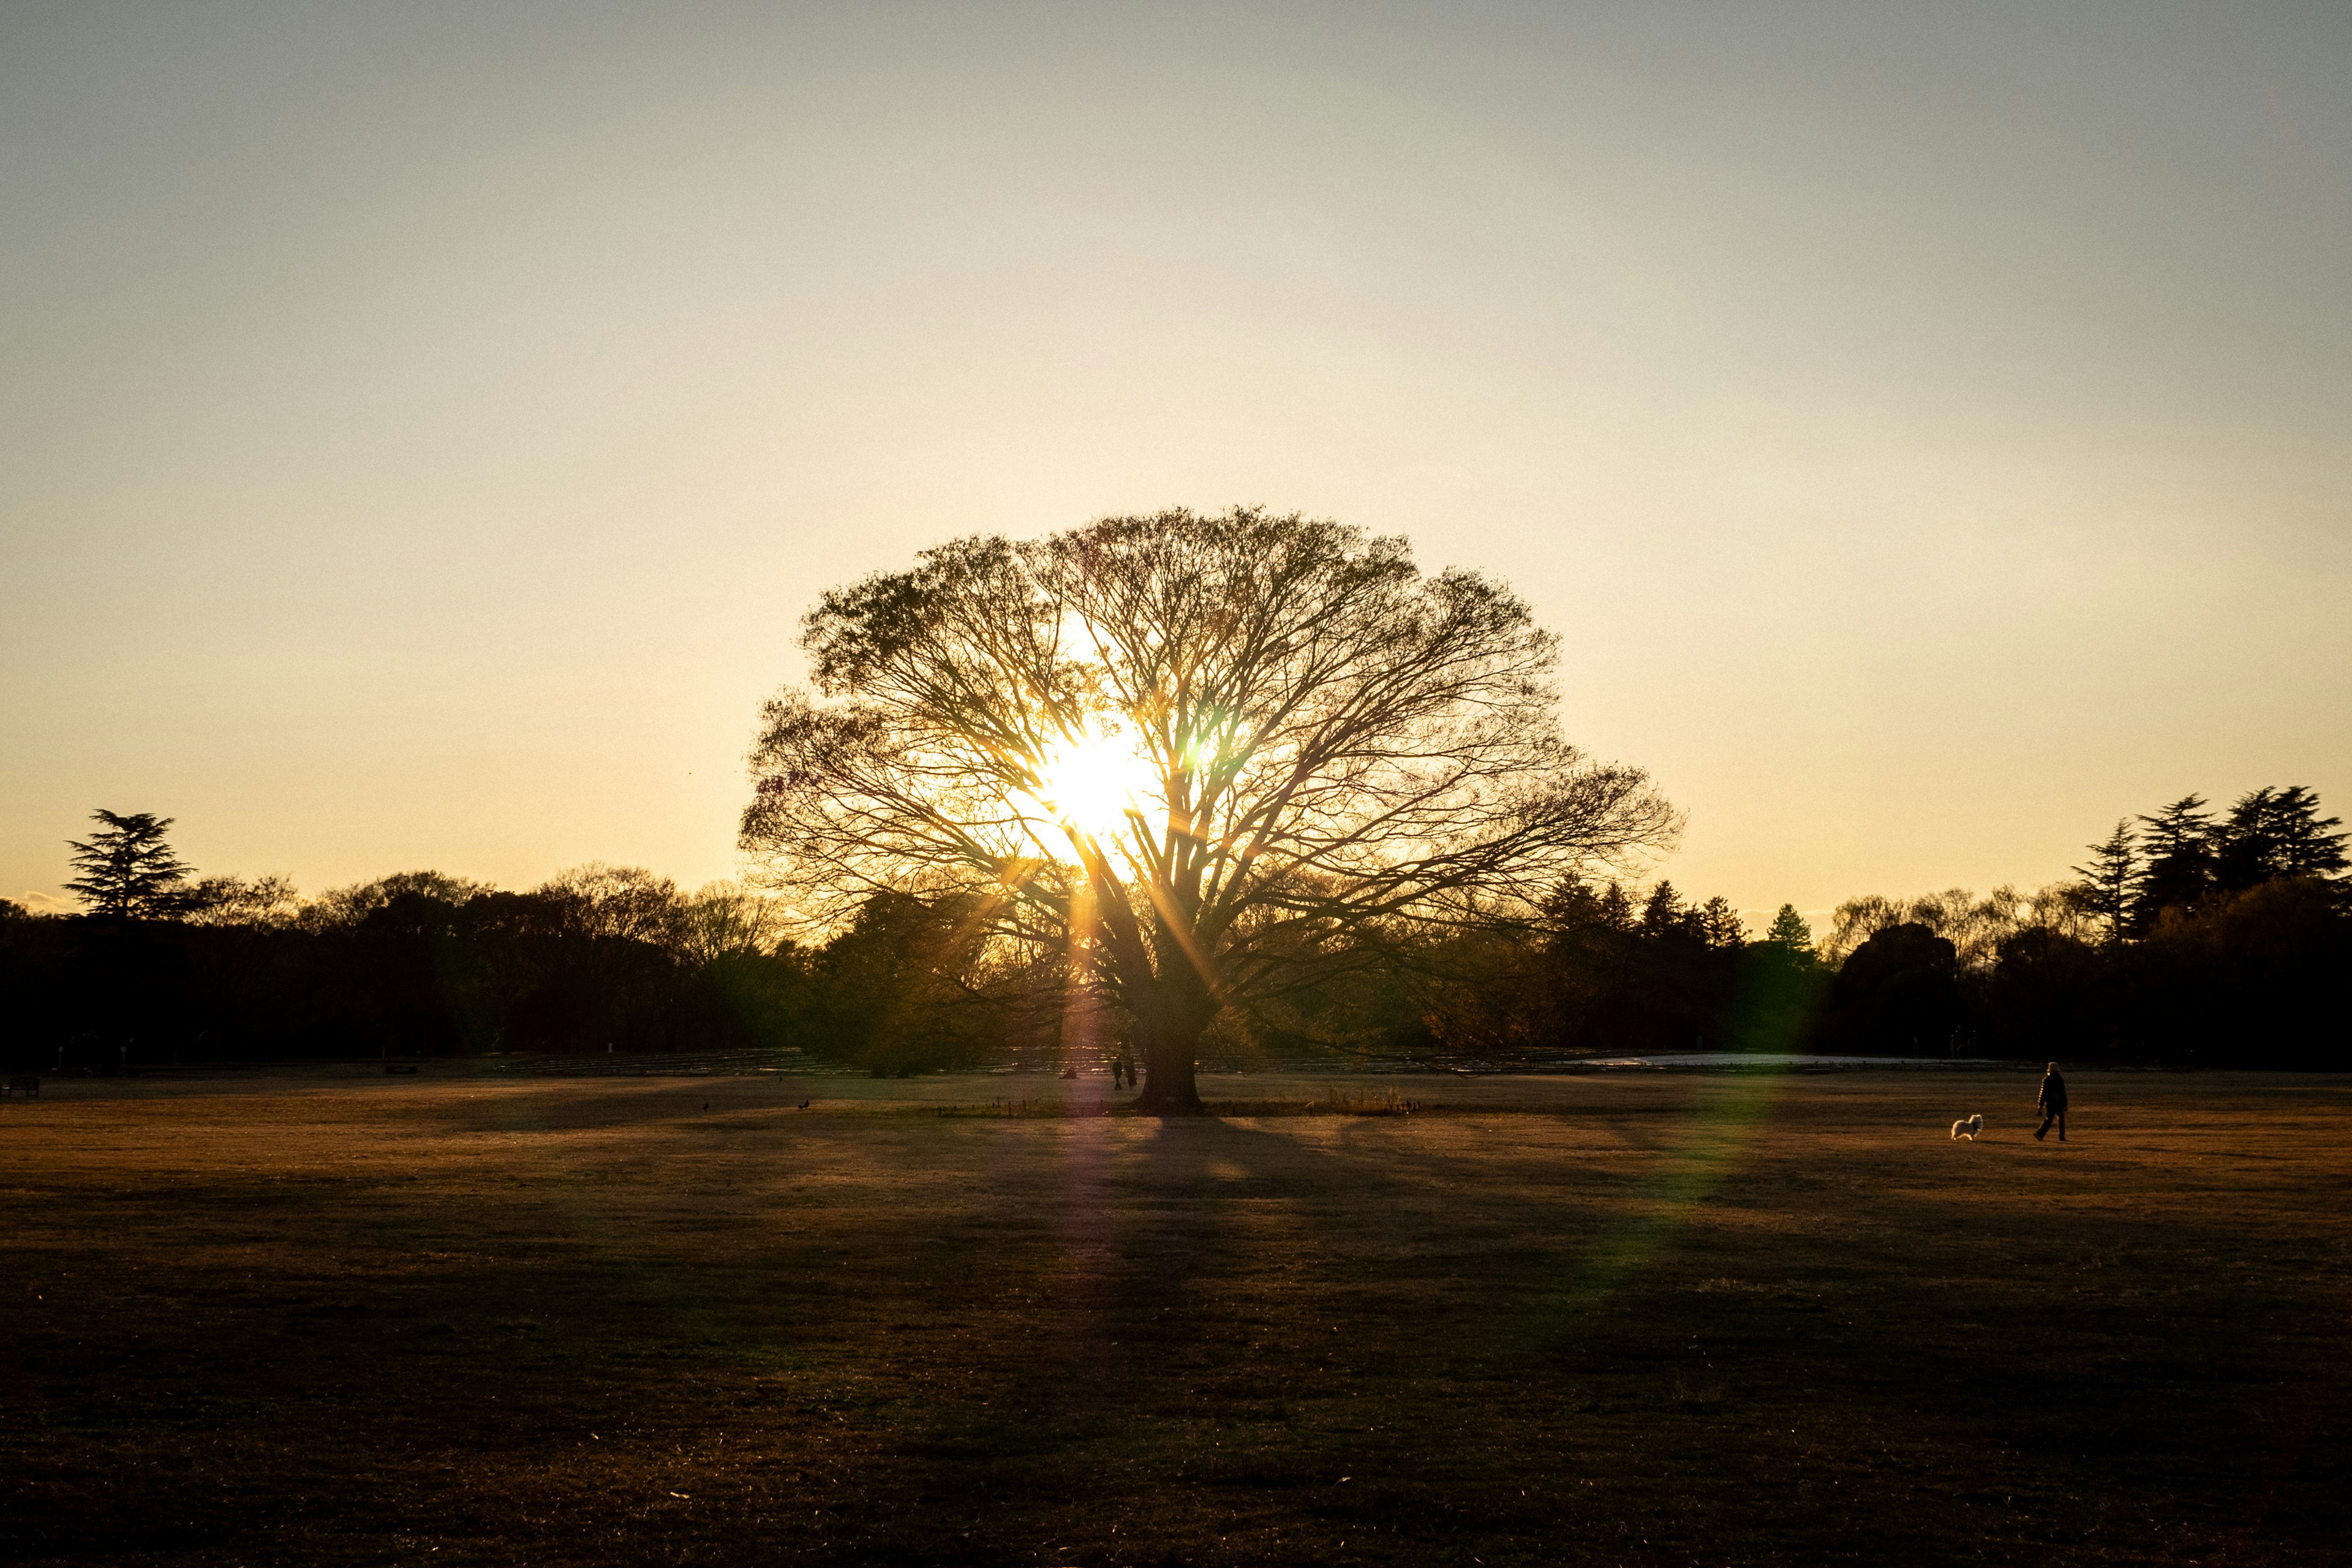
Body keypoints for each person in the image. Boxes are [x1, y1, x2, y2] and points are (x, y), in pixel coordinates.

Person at [2034, 1062, 2069, 1142]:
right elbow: (2062, 1092)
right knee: (2061, 1120)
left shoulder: (2046, 1079)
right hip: (2058, 1102)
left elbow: (2042, 1093)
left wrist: (2040, 1105)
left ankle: (2040, 1133)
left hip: (2049, 1102)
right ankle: (2062, 1137)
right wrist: (2065, 1104)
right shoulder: (2059, 1079)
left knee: (2049, 1119)